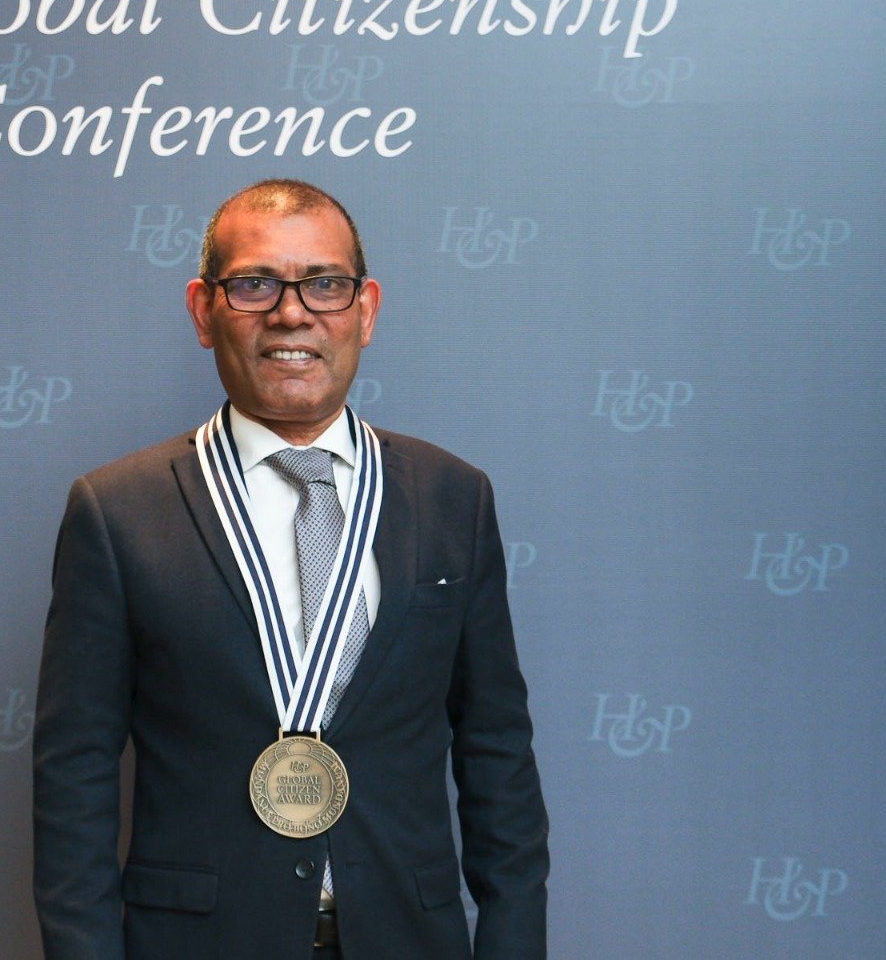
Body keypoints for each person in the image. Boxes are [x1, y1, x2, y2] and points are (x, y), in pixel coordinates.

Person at [33, 179, 548, 959]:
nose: (291, 313)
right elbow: (74, 776)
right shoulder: (116, 512)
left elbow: (497, 753)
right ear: (203, 311)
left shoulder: (454, 498)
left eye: (324, 284)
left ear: (365, 310)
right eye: (254, 284)